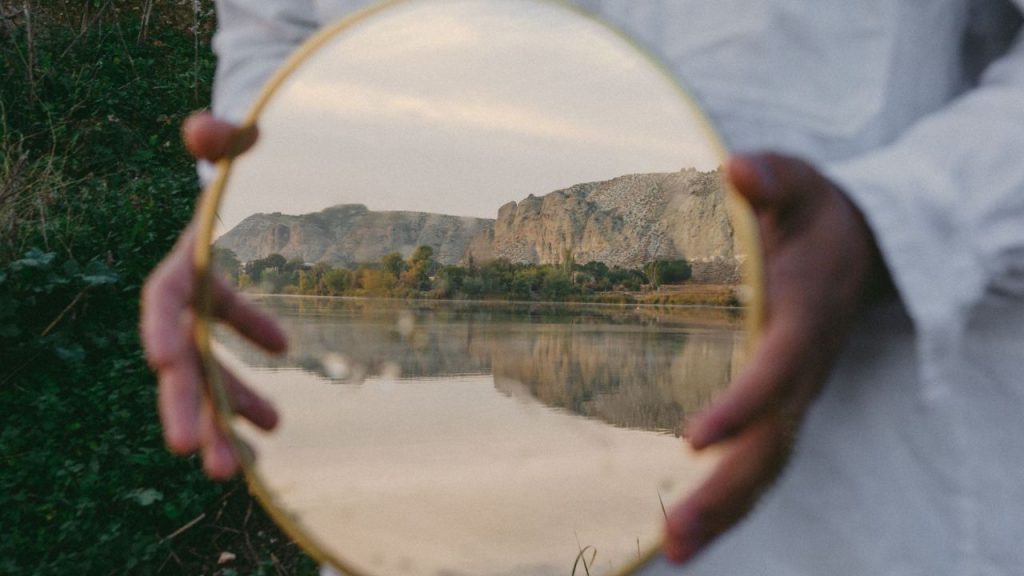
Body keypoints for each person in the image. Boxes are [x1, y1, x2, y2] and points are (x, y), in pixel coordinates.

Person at [141, 0, 1024, 573]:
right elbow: (278, 23)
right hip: (417, 537)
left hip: (865, 504)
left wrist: (894, 221)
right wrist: (254, 192)